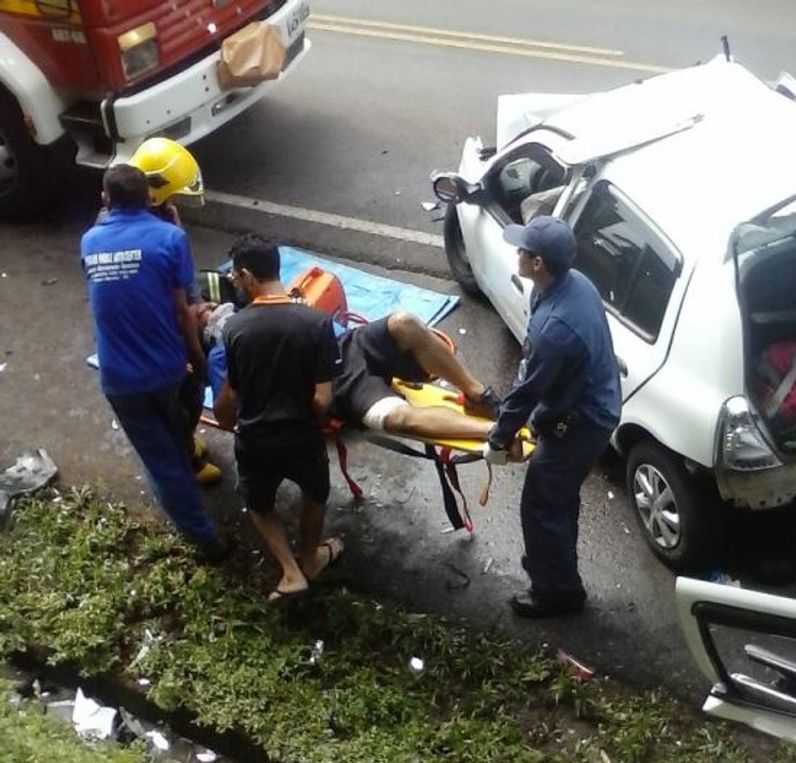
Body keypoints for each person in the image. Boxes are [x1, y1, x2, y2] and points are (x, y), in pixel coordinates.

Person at [81, 163, 228, 561]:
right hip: (168, 368)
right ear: (150, 199)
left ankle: (196, 515)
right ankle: (208, 542)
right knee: (182, 417)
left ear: (105, 200)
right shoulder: (169, 238)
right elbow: (184, 311)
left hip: (120, 378)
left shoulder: (90, 241)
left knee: (161, 459)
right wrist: (196, 357)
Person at [485, 216, 621, 619]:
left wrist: (499, 436)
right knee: (558, 500)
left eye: (523, 249)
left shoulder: (556, 329)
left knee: (541, 503)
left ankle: (557, 591)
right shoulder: (571, 284)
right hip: (588, 399)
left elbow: (530, 390)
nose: (517, 253)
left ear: (539, 262)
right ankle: (555, 563)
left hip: (584, 420)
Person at [213, 236, 344, 601]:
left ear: (246, 275)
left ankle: (290, 571)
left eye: (236, 279)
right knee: (315, 495)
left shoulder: (235, 329)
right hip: (302, 437)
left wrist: (227, 419)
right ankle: (311, 557)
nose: (236, 286)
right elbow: (322, 399)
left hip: (256, 439)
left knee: (259, 504)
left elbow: (231, 398)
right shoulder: (318, 323)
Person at [128, 137, 222, 485]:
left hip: (164, 323)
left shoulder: (159, 219)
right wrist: (196, 355)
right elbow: (176, 303)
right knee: (182, 396)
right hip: (158, 336)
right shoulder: (154, 235)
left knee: (187, 396)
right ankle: (184, 459)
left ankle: (182, 437)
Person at [330, 312, 501, 439]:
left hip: (346, 341)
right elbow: (319, 401)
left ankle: (477, 396)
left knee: (404, 323)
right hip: (334, 374)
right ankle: (495, 432)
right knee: (395, 417)